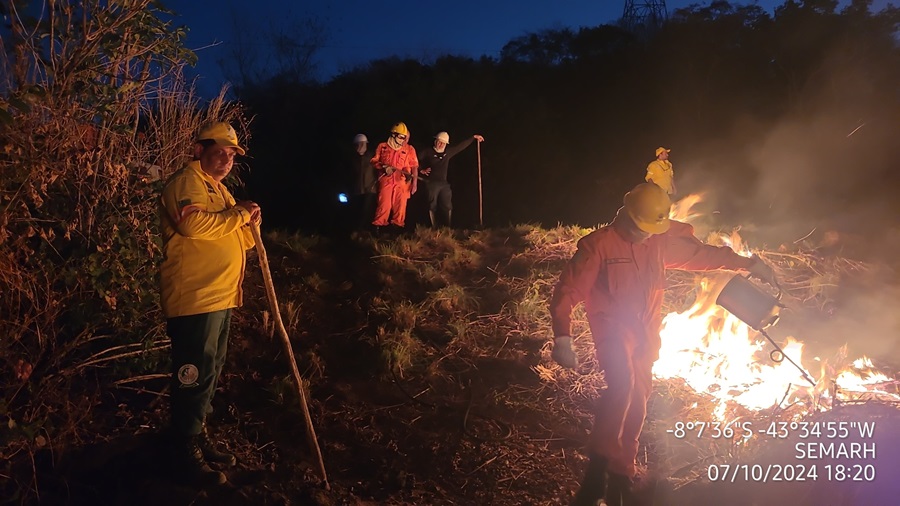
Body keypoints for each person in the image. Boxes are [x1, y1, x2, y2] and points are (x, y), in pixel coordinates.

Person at [548, 183, 776, 506]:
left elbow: (702, 255)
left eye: (653, 229)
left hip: (646, 334)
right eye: (644, 228)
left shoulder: (658, 242)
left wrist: (749, 264)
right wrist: (563, 336)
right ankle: (595, 474)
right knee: (622, 386)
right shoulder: (598, 245)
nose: (648, 235)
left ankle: (620, 475)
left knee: (638, 397)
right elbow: (568, 290)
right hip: (614, 330)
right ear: (628, 217)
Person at [159, 121, 261, 486]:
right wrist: (237, 216)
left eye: (232, 153)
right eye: (219, 151)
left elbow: (242, 241)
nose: (226, 159)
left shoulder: (221, 190)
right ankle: (182, 446)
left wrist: (249, 222)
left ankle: (197, 432)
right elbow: (192, 226)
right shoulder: (187, 183)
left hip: (220, 296)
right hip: (195, 296)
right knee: (193, 371)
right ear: (199, 150)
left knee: (210, 370)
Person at [418, 131, 484, 228]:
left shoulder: (447, 152)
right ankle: (433, 227)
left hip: (444, 183)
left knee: (447, 204)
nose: (441, 144)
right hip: (431, 183)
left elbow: (460, 146)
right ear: (435, 141)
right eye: (439, 142)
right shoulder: (428, 152)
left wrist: (473, 137)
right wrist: (421, 170)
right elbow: (414, 159)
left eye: (443, 143)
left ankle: (448, 227)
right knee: (432, 204)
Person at [371, 122, 419, 232]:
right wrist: (383, 167)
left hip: (402, 182)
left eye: (405, 138)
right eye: (402, 137)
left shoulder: (410, 149)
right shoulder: (382, 146)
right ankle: (378, 229)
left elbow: (414, 166)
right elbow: (374, 161)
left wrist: (413, 181)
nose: (404, 140)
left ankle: (396, 231)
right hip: (386, 181)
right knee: (384, 205)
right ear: (394, 134)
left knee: (400, 207)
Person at [349, 133, 377, 230]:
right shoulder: (352, 159)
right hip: (357, 190)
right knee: (357, 211)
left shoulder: (371, 157)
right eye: (359, 144)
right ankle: (356, 230)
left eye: (363, 144)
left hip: (369, 189)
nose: (361, 146)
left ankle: (365, 230)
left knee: (367, 210)